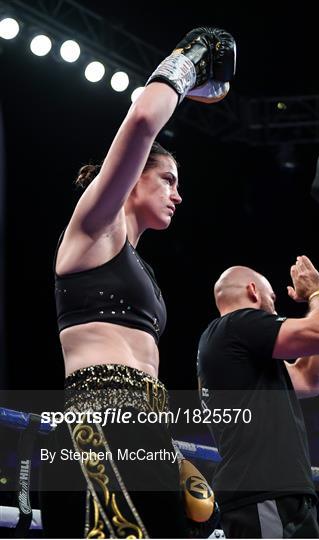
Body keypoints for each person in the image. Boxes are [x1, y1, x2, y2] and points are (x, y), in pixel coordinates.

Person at [40, 27, 236, 539]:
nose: (178, 194)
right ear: (131, 179)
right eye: (168, 179)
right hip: (98, 424)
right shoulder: (94, 229)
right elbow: (144, 120)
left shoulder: (137, 265)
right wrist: (189, 61)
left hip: (145, 431)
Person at [197, 256, 319, 538]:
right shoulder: (237, 325)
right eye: (272, 298)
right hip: (263, 492)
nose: (275, 306)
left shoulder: (235, 349)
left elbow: (309, 380)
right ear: (253, 291)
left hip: (276, 494)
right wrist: (317, 292)